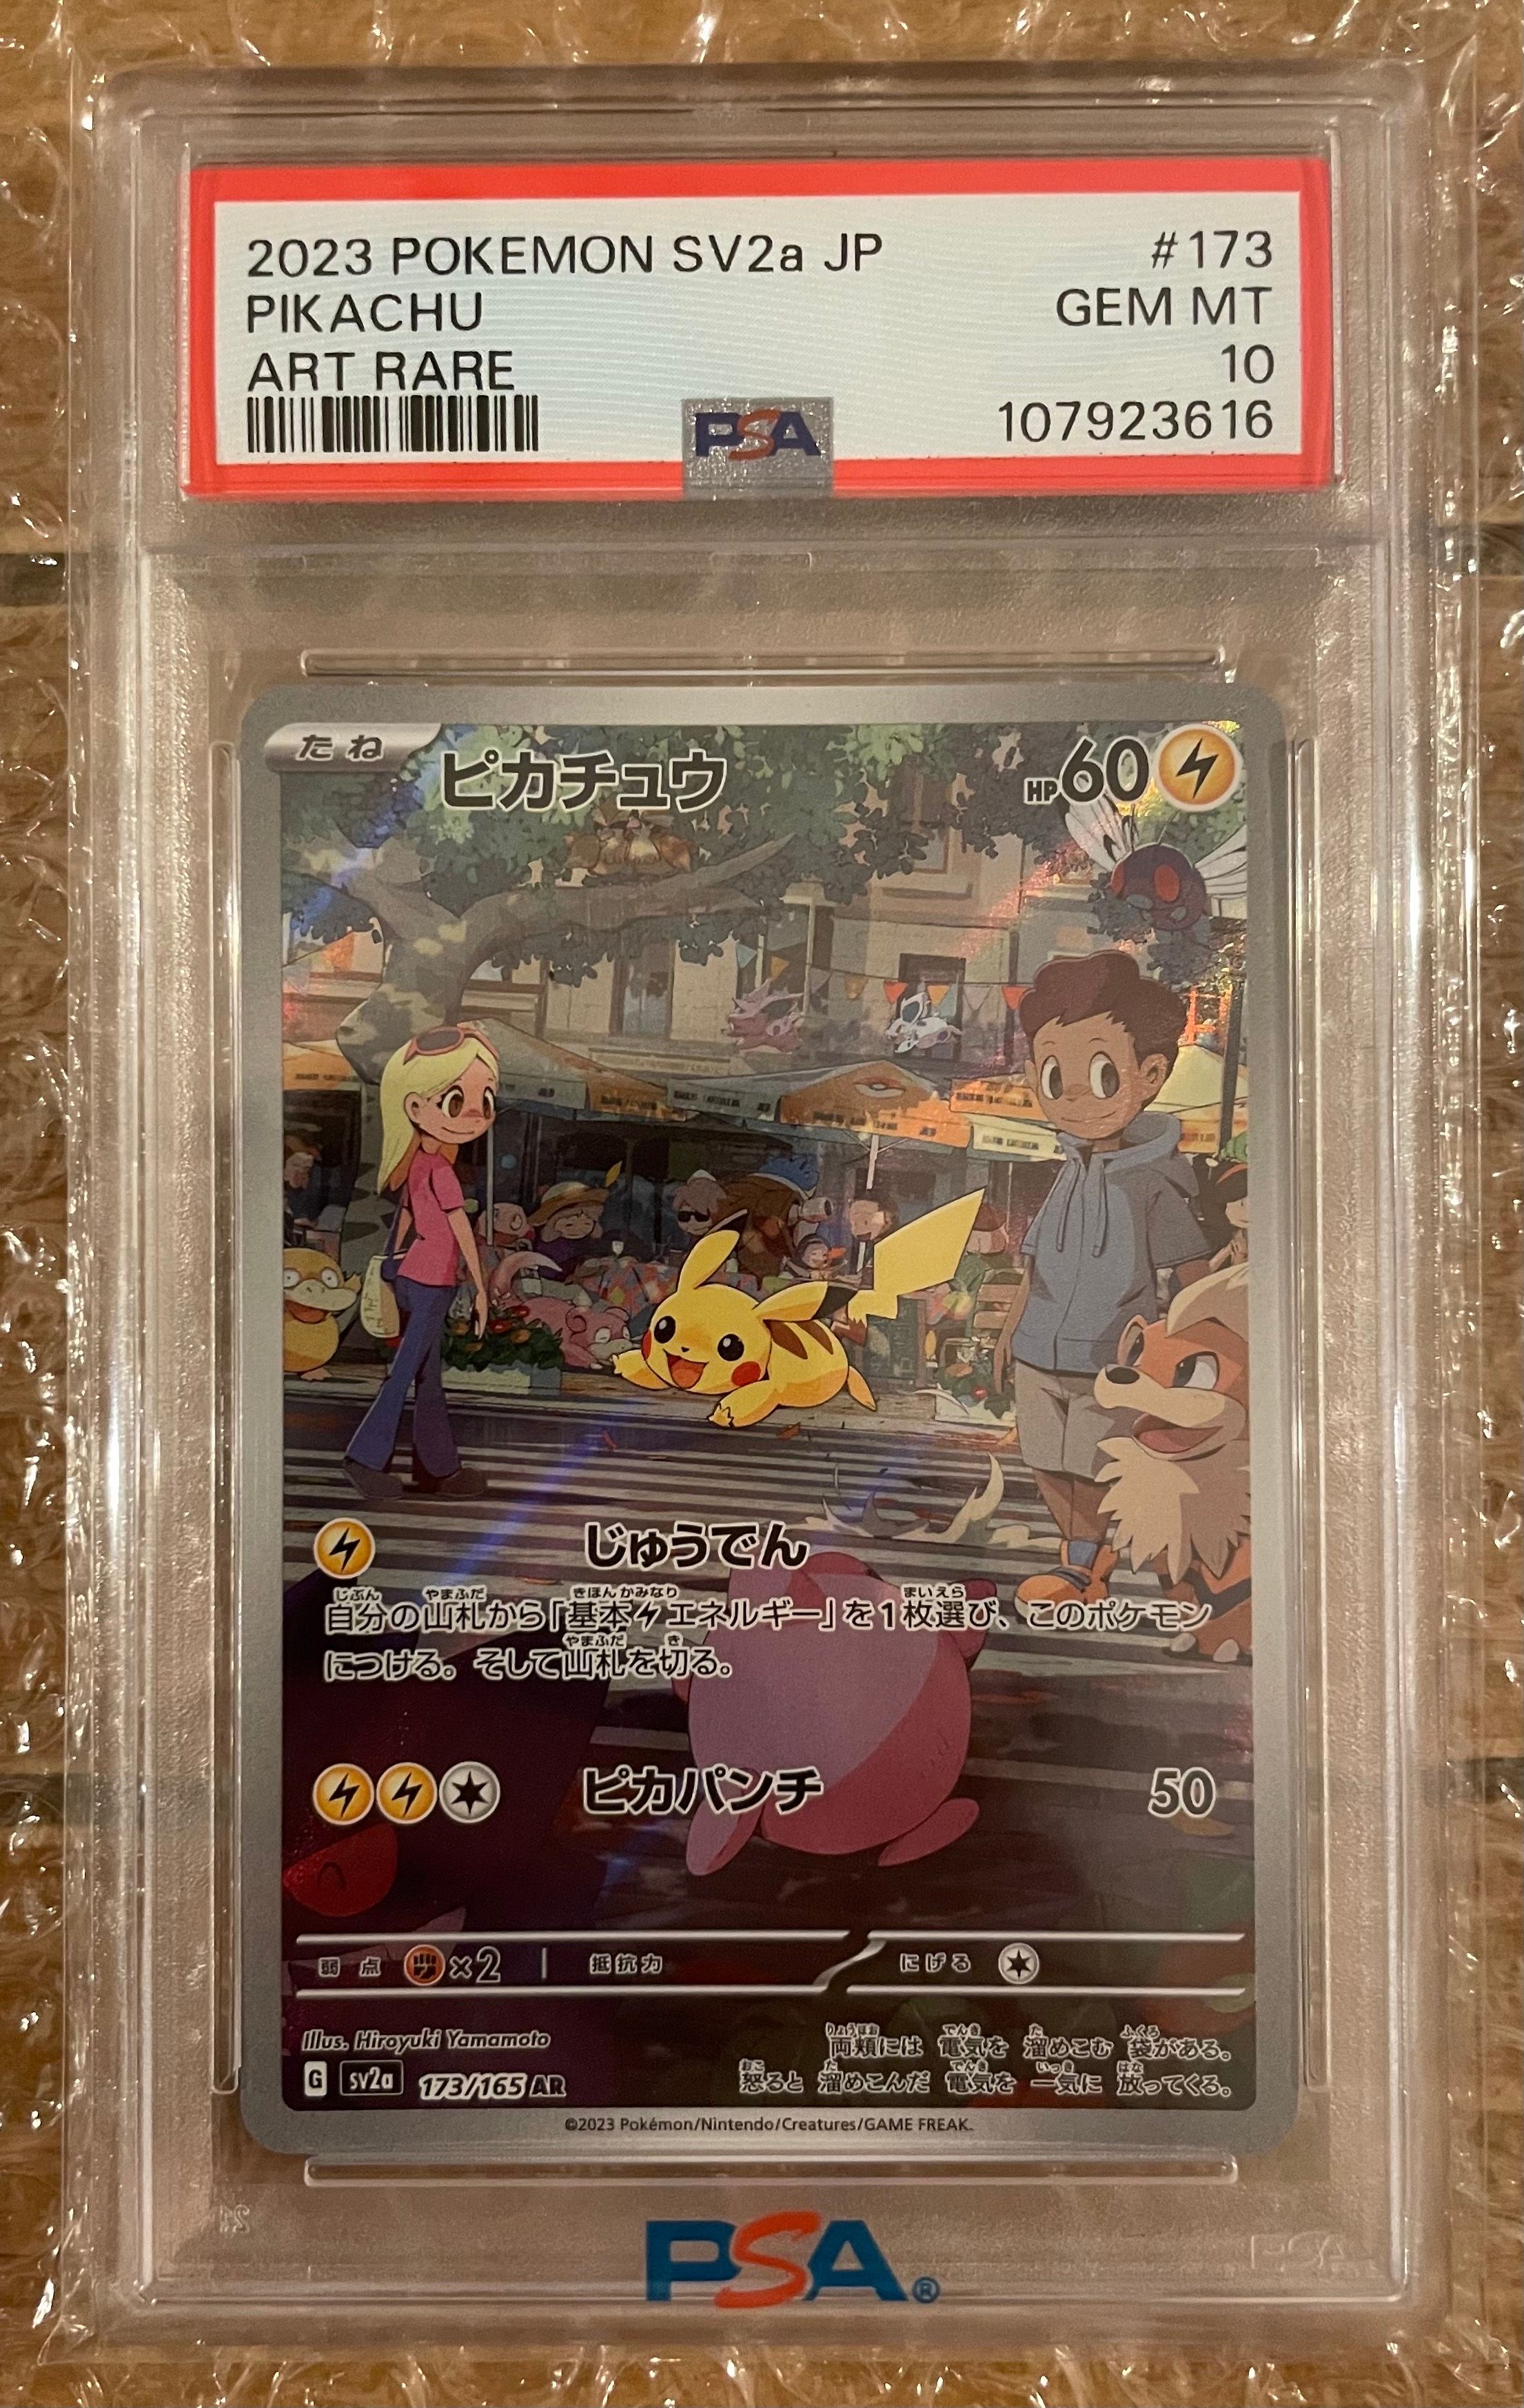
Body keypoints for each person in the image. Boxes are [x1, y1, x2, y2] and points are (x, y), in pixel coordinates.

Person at [992, 952, 1209, 1606]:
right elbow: (1034, 1264)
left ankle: (1082, 1567)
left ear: (1150, 1075)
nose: (1074, 1097)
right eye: (1054, 1076)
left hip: (1112, 1357)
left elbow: (1192, 1274)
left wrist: (1188, 1351)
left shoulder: (1154, 1182)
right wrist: (1008, 1332)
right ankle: (1082, 1557)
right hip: (1037, 1346)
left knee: (1091, 1464)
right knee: (1043, 1458)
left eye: (1100, 1074)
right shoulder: (1067, 1169)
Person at [345, 1025, 498, 1502]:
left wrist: (393, 1262)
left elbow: (407, 1217)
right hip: (432, 1282)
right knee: (407, 1370)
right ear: (414, 1106)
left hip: (414, 1274)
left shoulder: (417, 1164)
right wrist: (481, 1291)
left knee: (428, 1376)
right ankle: (365, 1457)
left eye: (486, 1100)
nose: (476, 1114)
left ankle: (438, 1468)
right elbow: (460, 1232)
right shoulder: (442, 1170)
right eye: (455, 1101)